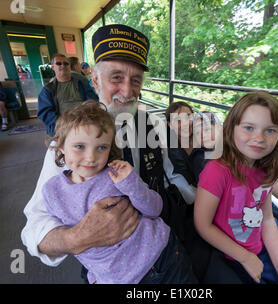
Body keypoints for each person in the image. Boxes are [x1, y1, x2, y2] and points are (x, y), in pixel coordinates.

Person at [21, 24, 197, 283]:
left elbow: (175, 178)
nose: (127, 91)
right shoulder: (72, 144)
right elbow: (33, 227)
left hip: (165, 253)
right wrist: (77, 238)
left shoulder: (156, 126)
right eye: (116, 78)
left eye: (135, 80)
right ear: (94, 80)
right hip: (112, 270)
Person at [42, 100, 197, 284]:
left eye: (101, 147)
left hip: (163, 257)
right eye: (79, 146)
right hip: (118, 279)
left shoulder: (117, 174)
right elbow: (72, 238)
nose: (91, 157)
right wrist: (95, 275)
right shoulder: (52, 191)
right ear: (60, 147)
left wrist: (132, 184)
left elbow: (155, 209)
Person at [194, 91, 278, 284]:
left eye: (270, 130)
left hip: (259, 249)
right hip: (229, 257)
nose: (259, 138)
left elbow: (267, 219)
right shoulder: (217, 172)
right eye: (249, 128)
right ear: (231, 128)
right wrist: (245, 257)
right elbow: (203, 225)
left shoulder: (266, 170)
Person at [37, 54, 98, 136]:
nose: (63, 65)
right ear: (53, 67)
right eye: (59, 63)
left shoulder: (81, 84)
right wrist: (65, 124)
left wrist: (86, 119)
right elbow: (45, 113)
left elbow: (93, 102)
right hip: (61, 129)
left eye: (66, 63)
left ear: (69, 66)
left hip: (84, 124)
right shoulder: (48, 90)